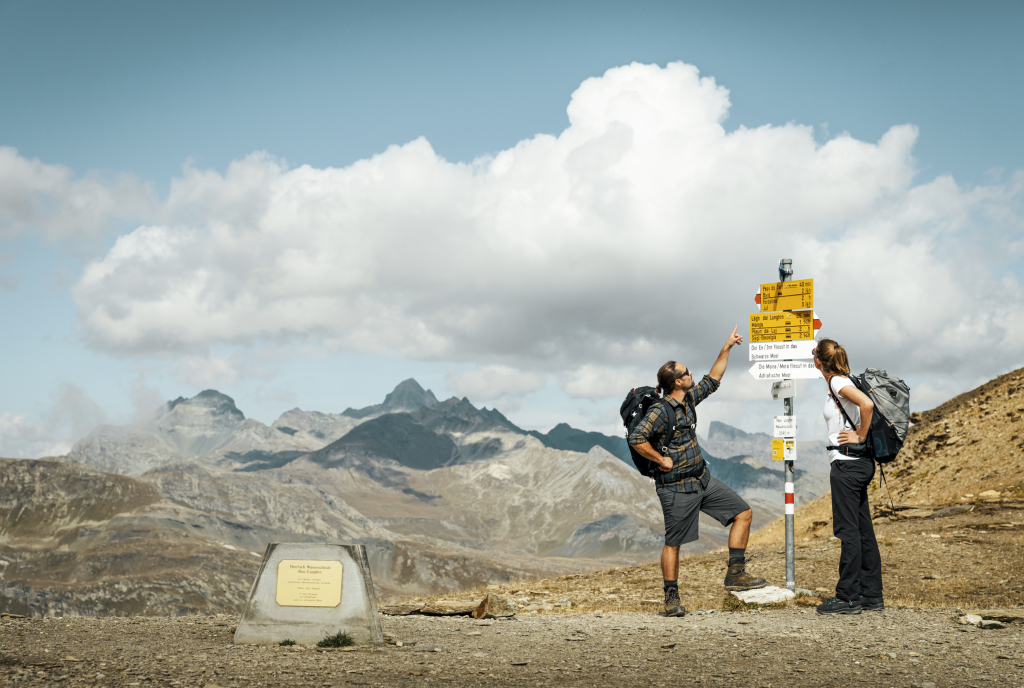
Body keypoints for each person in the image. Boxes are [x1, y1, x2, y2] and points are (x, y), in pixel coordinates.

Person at [628, 326, 767, 618]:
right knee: (674, 543)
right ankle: (671, 598)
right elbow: (636, 438)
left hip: (702, 480)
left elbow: (713, 379)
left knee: (743, 513)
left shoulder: (689, 398)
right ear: (677, 381)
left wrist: (727, 347)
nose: (692, 374)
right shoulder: (659, 411)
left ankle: (735, 574)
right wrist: (659, 460)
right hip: (675, 487)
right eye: (687, 372)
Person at [812, 338, 883, 615]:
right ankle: (871, 595)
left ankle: (848, 597)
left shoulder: (837, 383)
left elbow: (866, 405)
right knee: (863, 529)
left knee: (848, 531)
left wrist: (860, 436)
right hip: (860, 463)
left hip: (847, 464)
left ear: (818, 360)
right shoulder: (845, 380)